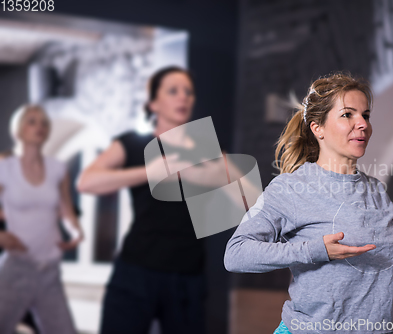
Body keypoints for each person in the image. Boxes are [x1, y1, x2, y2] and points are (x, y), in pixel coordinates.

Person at [224, 72, 393, 334]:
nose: (362, 124)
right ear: (318, 128)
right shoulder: (290, 188)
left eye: (366, 115)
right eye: (348, 115)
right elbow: (235, 254)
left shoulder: (376, 190)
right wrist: (315, 250)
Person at [78, 66, 228, 334]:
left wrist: (190, 166)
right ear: (153, 103)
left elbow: (241, 191)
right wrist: (150, 172)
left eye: (188, 92)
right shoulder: (134, 145)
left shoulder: (207, 148)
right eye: (173, 91)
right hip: (136, 271)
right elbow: (87, 181)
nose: (183, 97)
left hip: (187, 275)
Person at [0, 104, 83, 334]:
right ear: (17, 130)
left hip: (50, 271)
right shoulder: (4, 168)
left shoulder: (58, 169)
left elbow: (66, 210)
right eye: (32, 121)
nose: (40, 127)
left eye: (44, 122)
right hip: (16, 268)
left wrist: (76, 231)